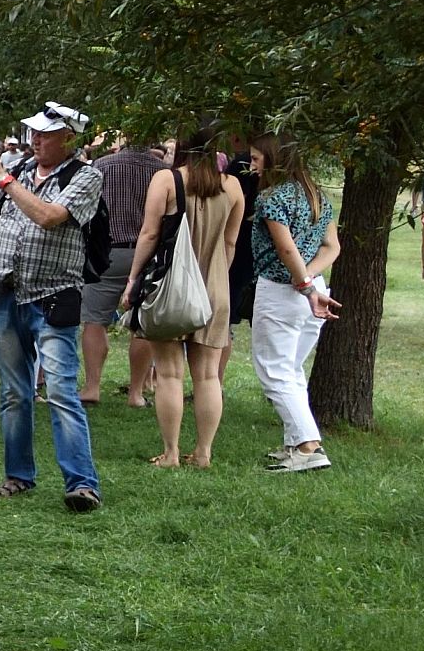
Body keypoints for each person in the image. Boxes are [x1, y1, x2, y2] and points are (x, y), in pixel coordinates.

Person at [0, 105, 109, 511]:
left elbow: (49, 216)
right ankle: (18, 476)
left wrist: (4, 178)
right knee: (14, 393)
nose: (36, 140)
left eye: (45, 135)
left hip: (53, 295)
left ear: (70, 138)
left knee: (62, 391)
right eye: (34, 133)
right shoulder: (23, 172)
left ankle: (82, 483)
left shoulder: (85, 177)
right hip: (7, 292)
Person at [117, 131, 245, 471]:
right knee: (207, 377)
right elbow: (230, 243)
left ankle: (171, 453)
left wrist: (133, 280)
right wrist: (215, 276)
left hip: (170, 289)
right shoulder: (233, 186)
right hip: (215, 289)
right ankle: (203, 453)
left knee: (170, 374)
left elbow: (149, 233)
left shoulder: (167, 179)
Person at [247, 140, 340, 473]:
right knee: (291, 370)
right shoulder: (316, 195)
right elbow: (332, 247)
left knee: (275, 370)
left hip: (282, 291)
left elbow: (286, 251)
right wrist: (312, 281)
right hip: (312, 288)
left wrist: (302, 284)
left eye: (257, 159)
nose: (252, 164)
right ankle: (294, 444)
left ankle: (307, 447)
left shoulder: (273, 198)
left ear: (274, 160)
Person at [85, 124, 167, 409]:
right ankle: (136, 392)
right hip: (146, 254)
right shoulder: (161, 171)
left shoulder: (102, 165)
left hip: (107, 252)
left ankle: (92, 386)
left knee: (95, 320)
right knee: (141, 325)